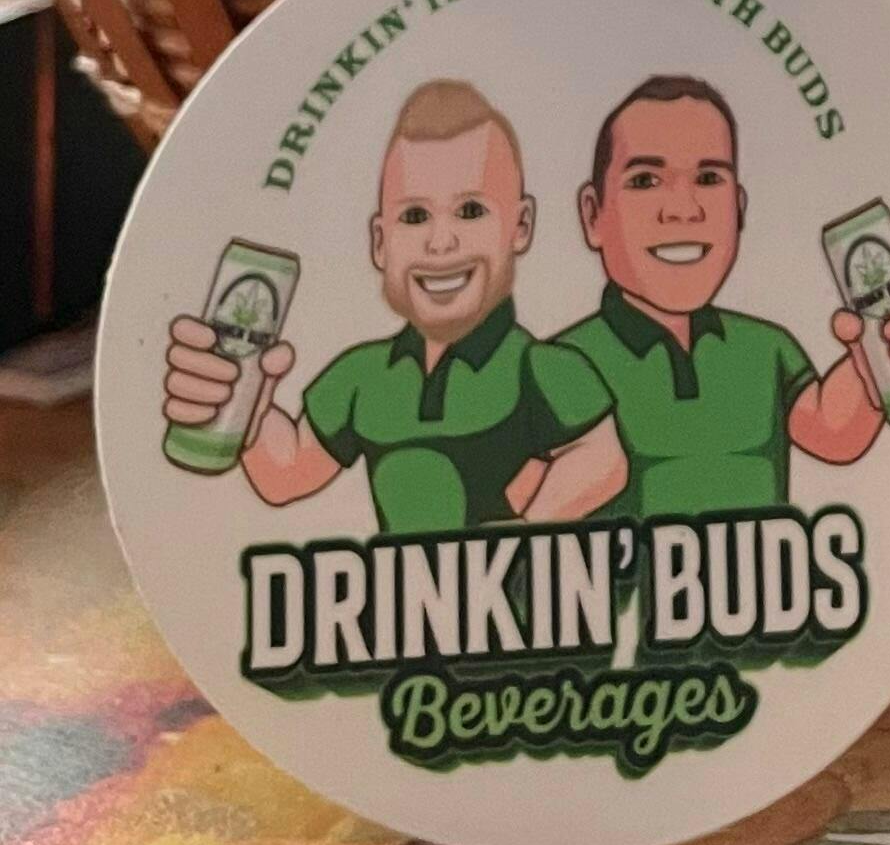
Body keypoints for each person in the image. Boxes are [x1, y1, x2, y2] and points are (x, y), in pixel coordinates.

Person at [161, 80, 626, 532]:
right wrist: (247, 406)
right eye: (414, 216)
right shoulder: (360, 375)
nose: (440, 242)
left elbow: (603, 460)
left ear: (520, 226)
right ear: (381, 243)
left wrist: (527, 528)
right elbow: (287, 475)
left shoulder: (540, 367)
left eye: (470, 211)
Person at [558, 72, 890, 519]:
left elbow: (834, 435)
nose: (684, 210)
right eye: (646, 180)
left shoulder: (765, 347)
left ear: (738, 209)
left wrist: (879, 360)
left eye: (709, 178)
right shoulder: (557, 363)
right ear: (593, 215)